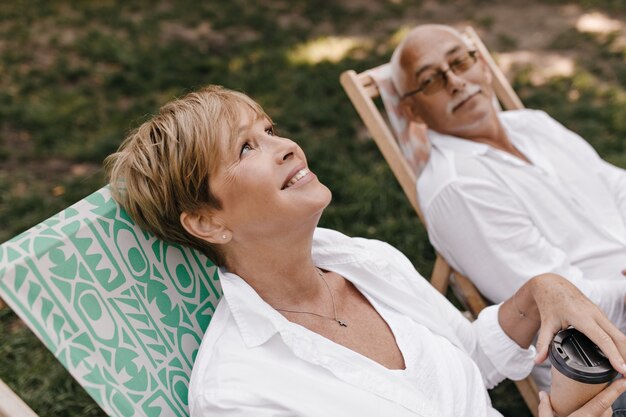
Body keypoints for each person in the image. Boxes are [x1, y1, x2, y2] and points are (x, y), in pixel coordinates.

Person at [105, 85, 626, 417]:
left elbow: (469, 357)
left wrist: (542, 291)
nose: (285, 146)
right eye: (245, 148)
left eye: (269, 130)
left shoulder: (364, 262)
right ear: (206, 221)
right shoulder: (240, 392)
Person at [390, 24, 626, 390]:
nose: (455, 81)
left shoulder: (533, 124)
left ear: (482, 64)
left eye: (459, 62)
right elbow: (564, 307)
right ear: (412, 110)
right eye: (431, 80)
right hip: (607, 363)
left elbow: (617, 185)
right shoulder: (457, 188)